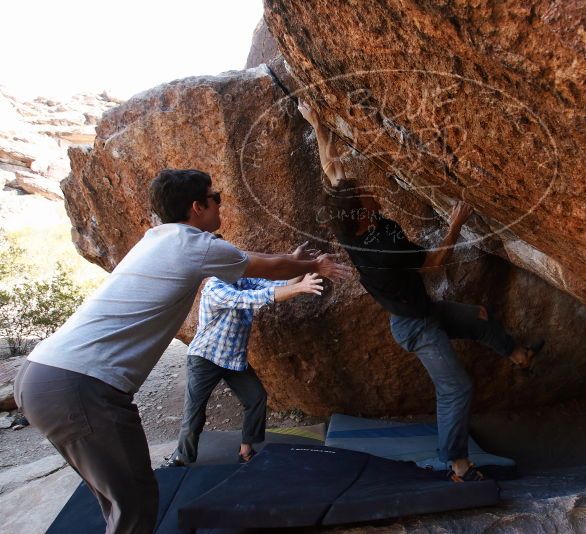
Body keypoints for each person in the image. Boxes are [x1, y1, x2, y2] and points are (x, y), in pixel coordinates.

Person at [13, 168, 349, 534]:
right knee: (136, 502)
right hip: (79, 387)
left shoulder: (161, 238)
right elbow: (267, 269)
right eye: (215, 197)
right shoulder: (196, 246)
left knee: (117, 498)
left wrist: (292, 260)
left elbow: (253, 260)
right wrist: (313, 265)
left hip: (40, 375)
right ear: (196, 207)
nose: (220, 202)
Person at [298, 102, 543, 482]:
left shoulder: (354, 222)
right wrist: (455, 223)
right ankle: (458, 465)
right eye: (365, 197)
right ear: (363, 217)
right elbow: (432, 264)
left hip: (422, 309)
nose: (369, 192)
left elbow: (333, 170)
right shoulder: (382, 248)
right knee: (456, 388)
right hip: (415, 325)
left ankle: (520, 356)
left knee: (479, 317)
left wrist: (317, 125)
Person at [164, 265, 324, 467]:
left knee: (256, 397)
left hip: (233, 359)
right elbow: (252, 299)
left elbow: (280, 285)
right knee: (195, 409)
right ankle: (181, 458)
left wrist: (303, 267)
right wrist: (301, 287)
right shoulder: (215, 287)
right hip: (205, 357)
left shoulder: (243, 281)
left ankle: (246, 450)